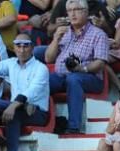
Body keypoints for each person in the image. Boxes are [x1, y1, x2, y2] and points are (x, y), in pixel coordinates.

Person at [45, 0, 108, 135]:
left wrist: (82, 69)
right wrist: (56, 39)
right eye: (70, 11)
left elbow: (100, 63)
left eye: (77, 10)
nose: (73, 14)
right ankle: (47, 120)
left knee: (74, 79)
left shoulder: (98, 34)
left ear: (86, 12)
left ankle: (74, 127)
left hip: (90, 78)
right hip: (62, 76)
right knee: (43, 81)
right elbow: (48, 58)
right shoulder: (64, 32)